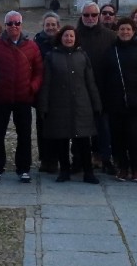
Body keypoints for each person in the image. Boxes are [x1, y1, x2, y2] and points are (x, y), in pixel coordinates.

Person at [0, 11, 43, 184]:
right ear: (5, 26)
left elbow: (39, 71)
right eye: (10, 23)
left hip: (23, 97)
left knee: (24, 135)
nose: (13, 26)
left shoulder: (32, 46)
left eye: (17, 23)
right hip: (0, 98)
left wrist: (32, 87)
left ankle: (23, 168)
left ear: (21, 25)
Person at [38, 25, 102, 184]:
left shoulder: (82, 56)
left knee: (83, 141)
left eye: (71, 36)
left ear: (75, 38)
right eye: (66, 36)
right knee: (62, 140)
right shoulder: (51, 56)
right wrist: (43, 105)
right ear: (61, 38)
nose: (68, 39)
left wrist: (96, 104)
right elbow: (46, 83)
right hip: (59, 104)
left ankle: (88, 172)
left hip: (81, 103)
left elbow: (90, 82)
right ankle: (64, 171)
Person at [100, 17, 137, 182]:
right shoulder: (110, 50)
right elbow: (105, 76)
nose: (125, 32)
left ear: (133, 31)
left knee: (133, 135)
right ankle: (122, 167)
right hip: (114, 100)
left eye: (128, 29)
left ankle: (135, 167)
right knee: (117, 136)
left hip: (134, 100)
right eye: (122, 29)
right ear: (117, 31)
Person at [76, 1, 117, 174]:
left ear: (99, 16)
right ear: (81, 16)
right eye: (86, 15)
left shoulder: (111, 36)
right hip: (80, 89)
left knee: (104, 127)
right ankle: (80, 160)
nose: (90, 18)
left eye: (94, 15)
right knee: (80, 128)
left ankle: (106, 159)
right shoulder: (75, 35)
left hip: (103, 87)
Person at [33, 11, 61, 173]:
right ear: (43, 26)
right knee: (42, 126)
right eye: (47, 25)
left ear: (58, 26)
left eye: (53, 25)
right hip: (42, 90)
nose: (50, 27)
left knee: (59, 126)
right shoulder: (37, 43)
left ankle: (57, 158)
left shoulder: (64, 41)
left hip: (59, 90)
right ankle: (45, 159)